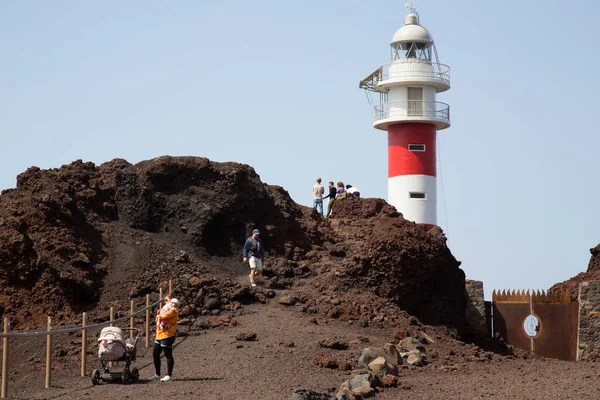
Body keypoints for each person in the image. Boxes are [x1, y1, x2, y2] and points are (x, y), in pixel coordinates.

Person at [148, 297, 180, 382]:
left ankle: (169, 375)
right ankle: (157, 374)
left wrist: (158, 315)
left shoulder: (174, 310)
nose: (171, 304)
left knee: (168, 354)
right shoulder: (166, 308)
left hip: (167, 334)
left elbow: (164, 316)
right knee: (155, 353)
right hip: (160, 334)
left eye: (168, 300)